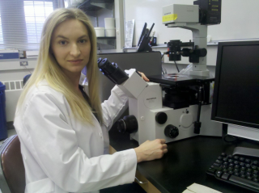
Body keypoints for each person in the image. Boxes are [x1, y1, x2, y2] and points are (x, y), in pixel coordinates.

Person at [14, 8, 168, 193]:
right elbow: (75, 175)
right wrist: (138, 154)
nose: (75, 51)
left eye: (82, 41)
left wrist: (126, 86)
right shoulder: (41, 99)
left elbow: (94, 123)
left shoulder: (76, 84)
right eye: (63, 42)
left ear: (91, 44)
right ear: (50, 47)